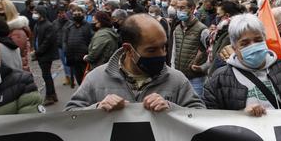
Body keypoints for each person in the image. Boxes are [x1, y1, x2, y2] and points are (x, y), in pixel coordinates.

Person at [65, 13, 203, 111]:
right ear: (128, 50)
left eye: (164, 47)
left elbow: (200, 116)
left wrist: (171, 108)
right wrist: (97, 109)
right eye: (151, 50)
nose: (161, 54)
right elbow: (68, 117)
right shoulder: (96, 79)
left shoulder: (177, 80)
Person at [203, 14, 281, 115]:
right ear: (234, 47)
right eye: (245, 43)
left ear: (265, 40)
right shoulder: (219, 80)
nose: (253, 46)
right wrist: (242, 115)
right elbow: (211, 119)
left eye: (258, 40)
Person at [172, 0, 209, 96]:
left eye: (182, 8)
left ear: (192, 9)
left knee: (196, 108)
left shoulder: (203, 29)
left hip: (196, 79)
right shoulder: (177, 29)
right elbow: (174, 52)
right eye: (177, 8)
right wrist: (173, 71)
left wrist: (203, 67)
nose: (179, 10)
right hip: (180, 78)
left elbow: (211, 53)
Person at [205, 0, 245, 76]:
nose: (216, 17)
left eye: (218, 14)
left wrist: (211, 76)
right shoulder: (221, 30)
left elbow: (219, 57)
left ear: (227, 16)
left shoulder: (231, 32)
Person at [31, 5, 60, 105]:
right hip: (40, 54)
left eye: (36, 12)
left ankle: (49, 96)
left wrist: (38, 51)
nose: (33, 14)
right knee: (46, 75)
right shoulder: (37, 24)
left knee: (46, 75)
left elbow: (47, 42)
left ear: (41, 14)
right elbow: (35, 39)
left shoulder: (48, 25)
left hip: (46, 54)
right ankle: (53, 94)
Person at [63, 5, 94, 86]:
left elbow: (92, 40)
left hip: (84, 58)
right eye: (75, 14)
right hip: (73, 57)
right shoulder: (69, 26)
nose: (76, 16)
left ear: (83, 14)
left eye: (78, 14)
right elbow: (65, 40)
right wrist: (66, 51)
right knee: (79, 78)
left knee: (87, 79)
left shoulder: (88, 26)